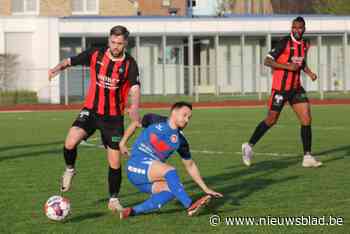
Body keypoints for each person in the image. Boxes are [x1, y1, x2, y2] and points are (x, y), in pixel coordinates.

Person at [48, 25, 141, 211]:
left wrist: (134, 107)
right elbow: (71, 60)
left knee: (114, 162)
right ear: (109, 40)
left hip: (113, 118)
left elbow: (135, 88)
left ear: (125, 44)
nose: (115, 46)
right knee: (70, 141)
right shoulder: (95, 54)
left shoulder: (130, 64)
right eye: (113, 42)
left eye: (119, 43)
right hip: (91, 111)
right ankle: (70, 169)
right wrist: (56, 68)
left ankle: (113, 200)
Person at [118, 102, 223, 219]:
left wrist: (205, 188)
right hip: (136, 165)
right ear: (174, 112)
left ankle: (132, 211)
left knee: (174, 189)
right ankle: (190, 205)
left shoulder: (181, 141)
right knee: (170, 170)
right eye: (184, 115)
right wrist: (122, 143)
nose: (187, 120)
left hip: (146, 181)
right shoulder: (153, 119)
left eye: (189, 117)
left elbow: (190, 165)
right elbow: (135, 124)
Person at [242, 16, 322, 168]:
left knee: (306, 119)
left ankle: (307, 156)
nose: (297, 30)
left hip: (296, 88)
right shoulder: (284, 42)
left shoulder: (305, 43)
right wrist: (287, 66)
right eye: (294, 27)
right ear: (291, 28)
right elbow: (267, 60)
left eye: (299, 27)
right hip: (280, 88)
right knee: (271, 120)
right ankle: (249, 146)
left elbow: (301, 61)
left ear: (304, 28)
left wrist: (309, 72)